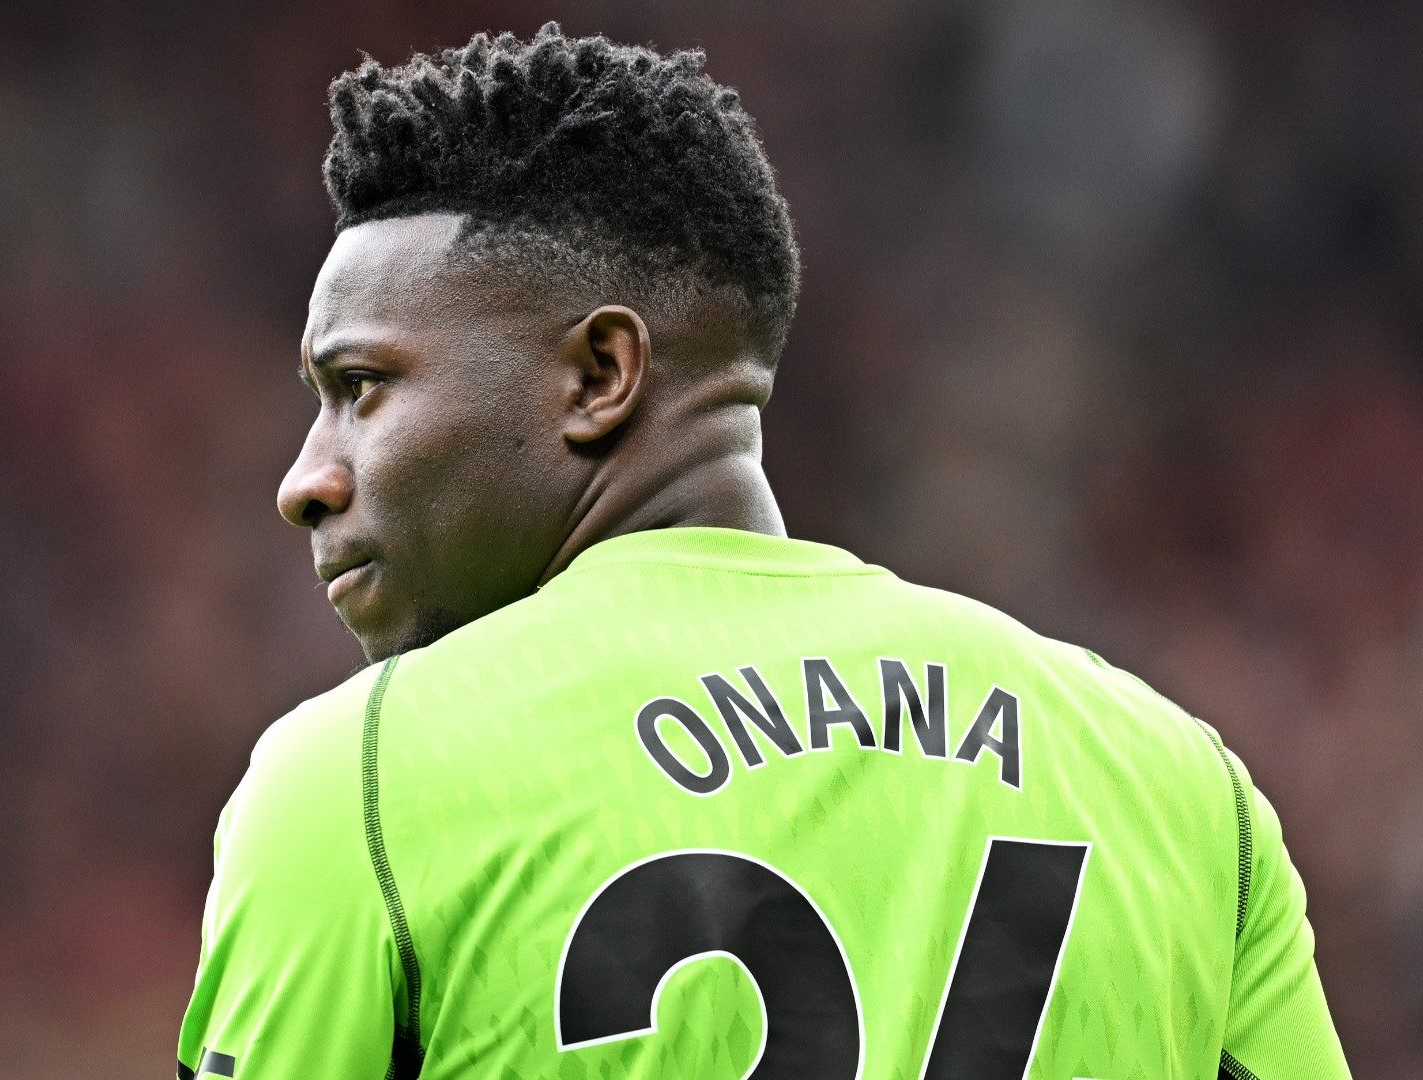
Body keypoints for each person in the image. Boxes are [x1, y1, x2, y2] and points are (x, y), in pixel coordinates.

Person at [176, 24, 1349, 1080]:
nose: (306, 479)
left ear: (599, 377)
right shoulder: (1181, 788)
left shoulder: (361, 785)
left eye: (361, 388)